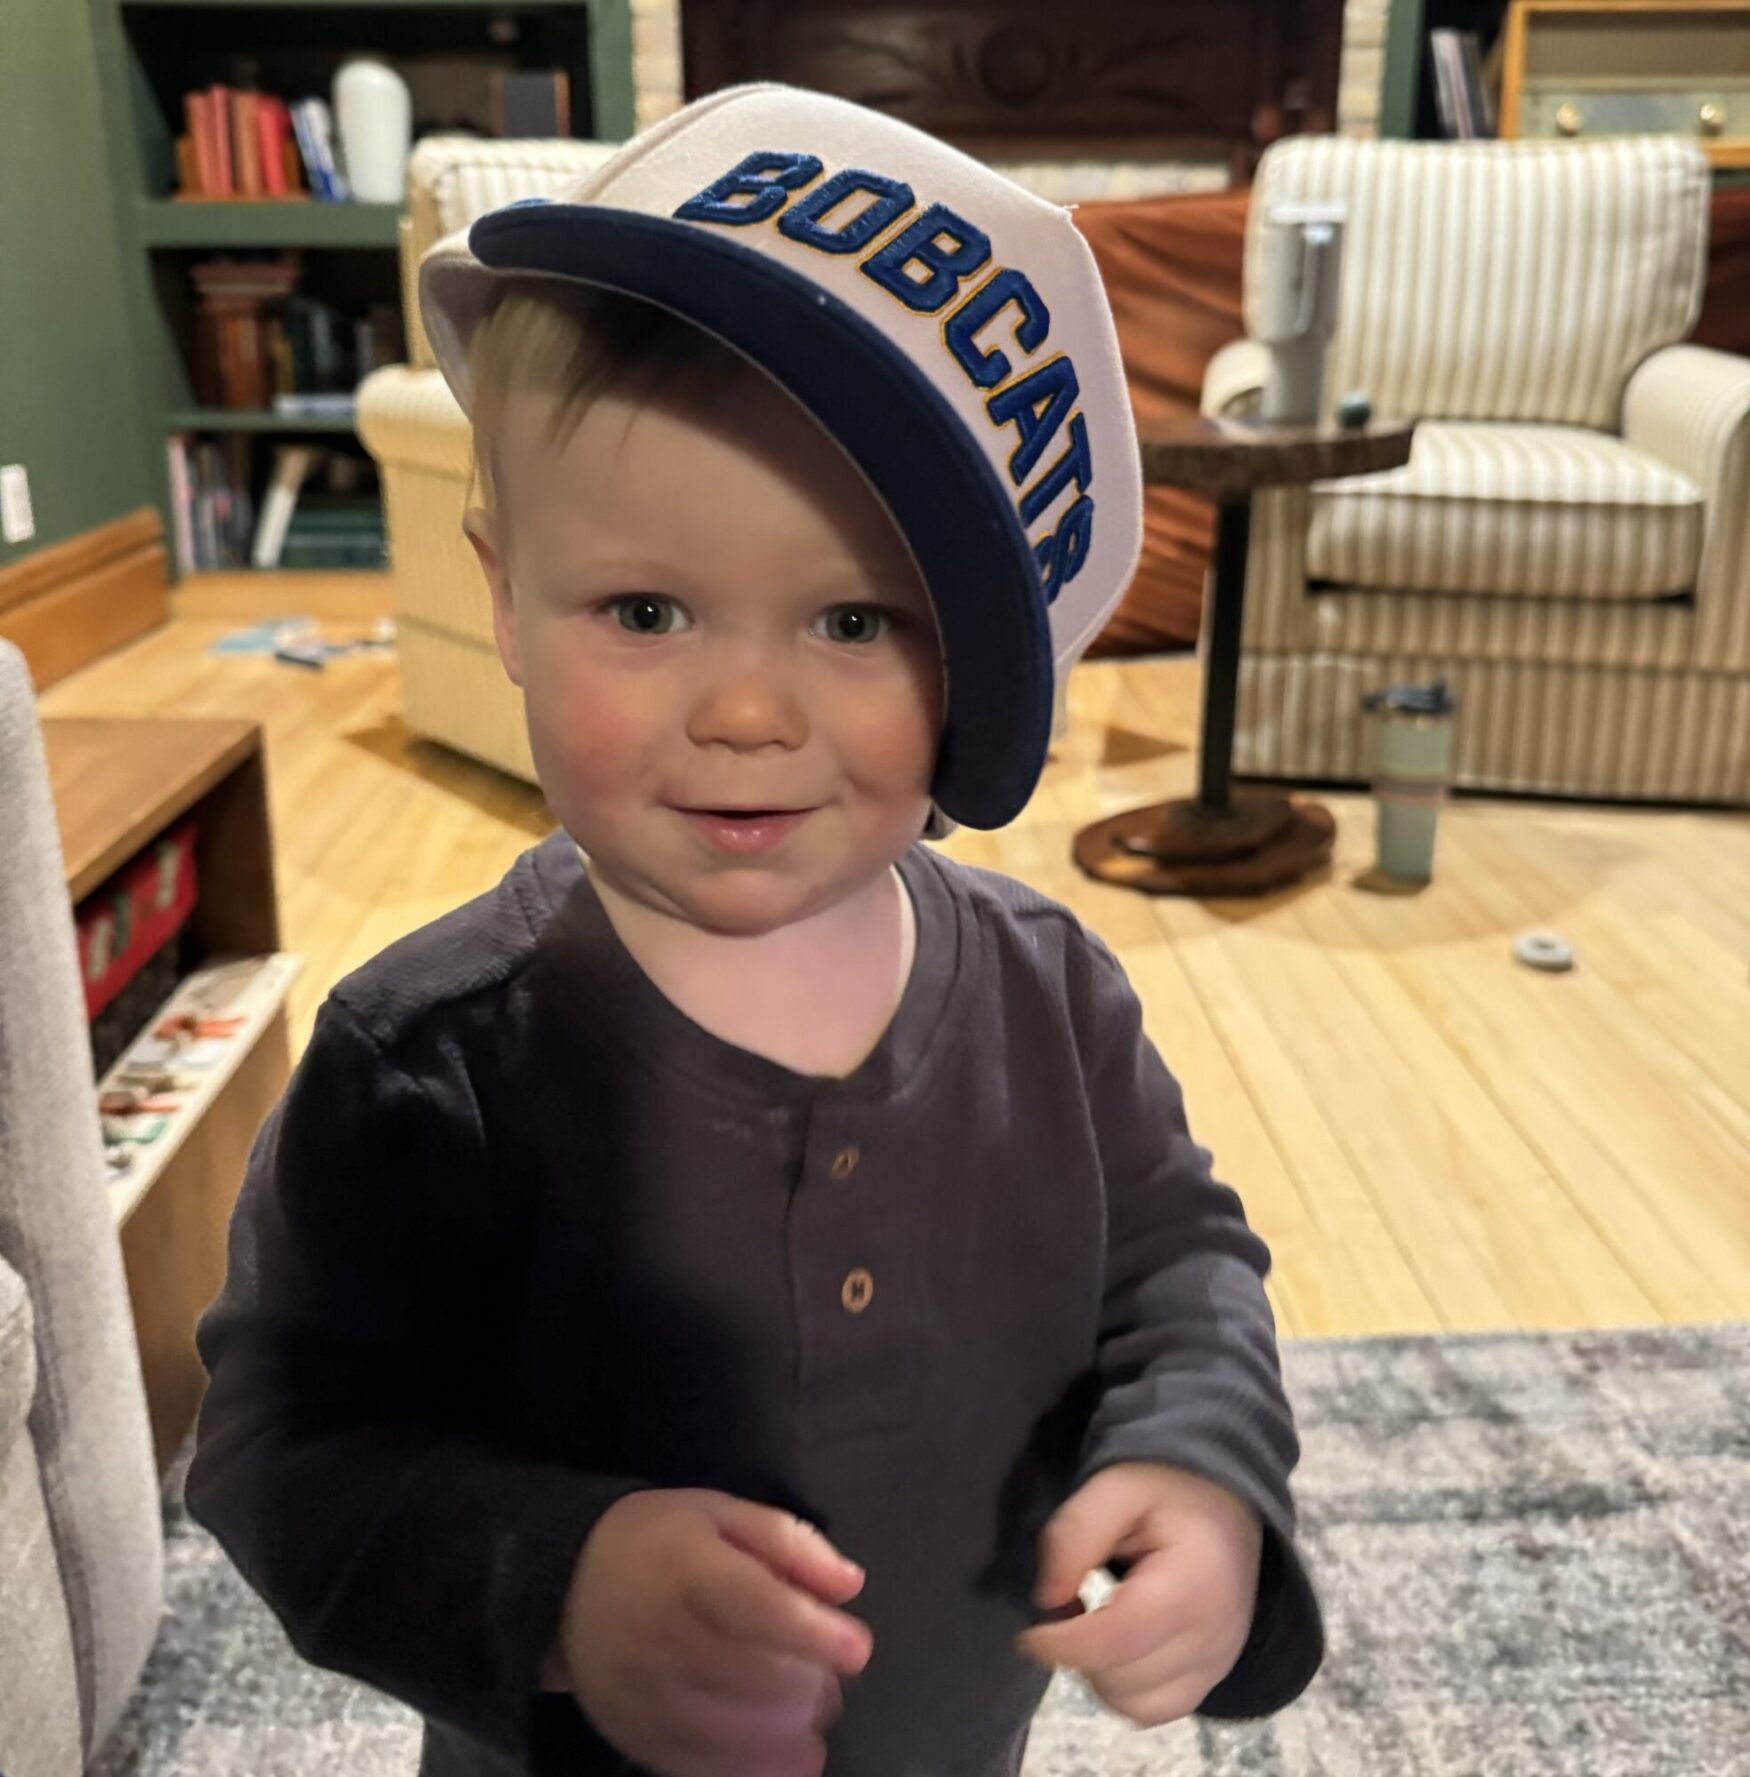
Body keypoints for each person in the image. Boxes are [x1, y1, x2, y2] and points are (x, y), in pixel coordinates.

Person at [187, 83, 1323, 1777]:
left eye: (855, 618)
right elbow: (281, 1449)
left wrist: (1202, 1460)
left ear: (979, 663)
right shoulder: (427, 1060)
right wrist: (557, 1583)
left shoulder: (1051, 996)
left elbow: (1175, 1269)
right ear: (502, 592)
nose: (740, 708)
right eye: (643, 609)